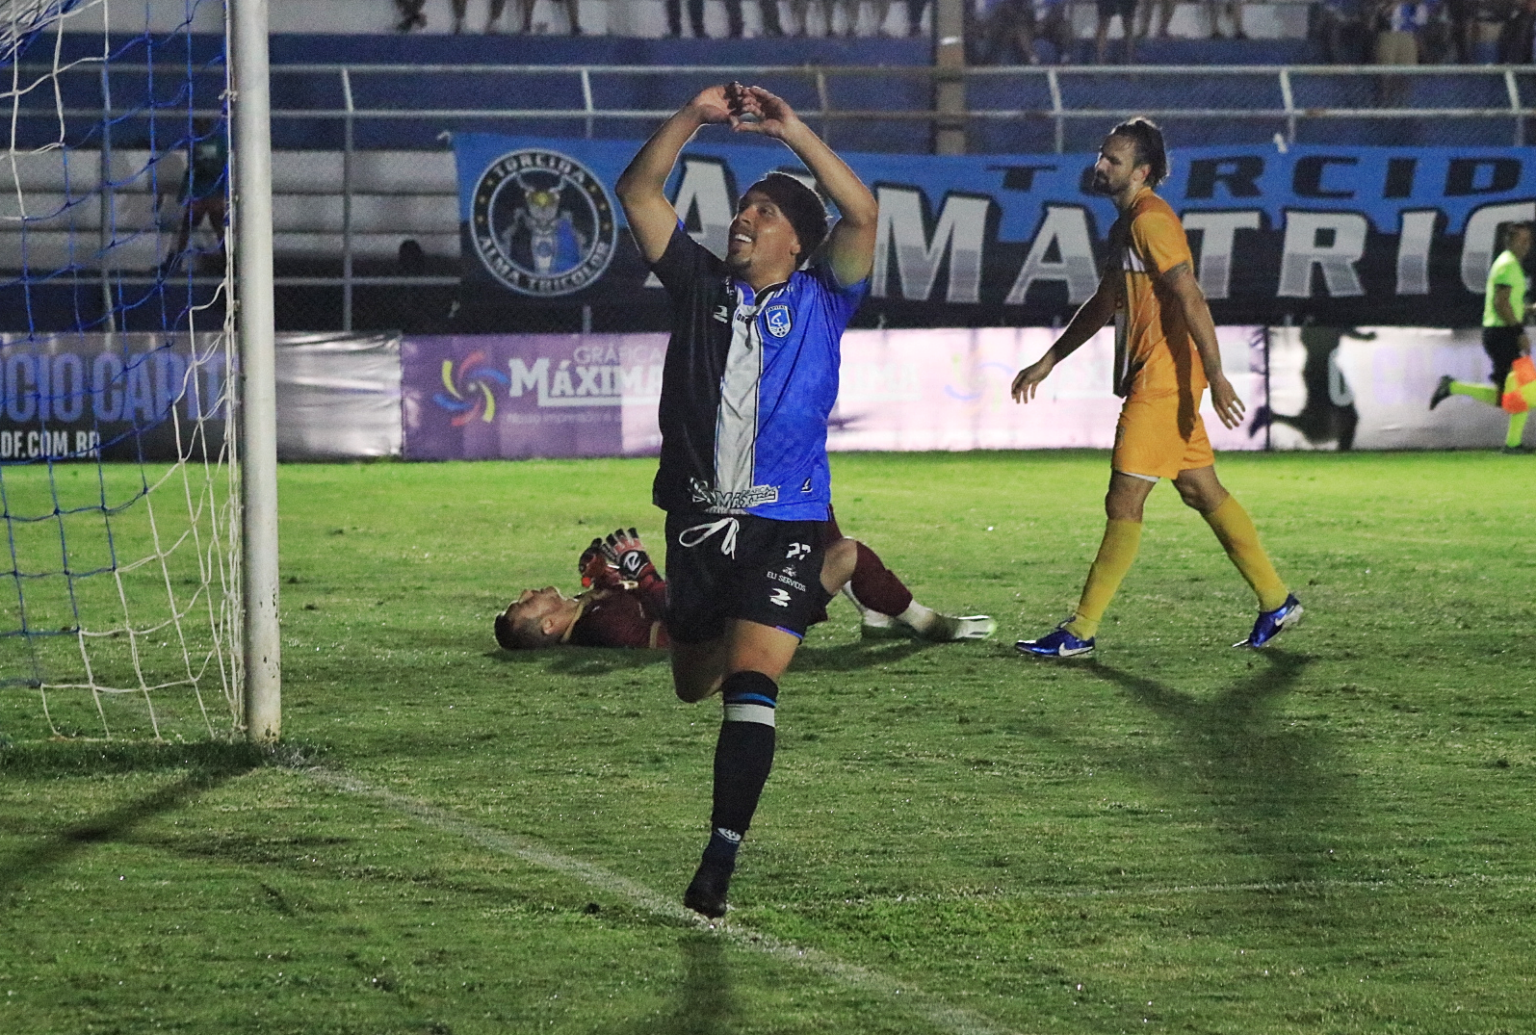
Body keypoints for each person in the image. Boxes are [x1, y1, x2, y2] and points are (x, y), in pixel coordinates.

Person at [615, 82, 879, 918]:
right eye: (743, 208)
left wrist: (792, 128)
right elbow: (638, 192)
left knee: (749, 683)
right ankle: (815, 588)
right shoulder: (696, 283)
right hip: (697, 523)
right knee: (692, 679)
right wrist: (692, 116)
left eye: (764, 213)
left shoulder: (825, 299)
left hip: (785, 524)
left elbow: (863, 213)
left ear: (799, 243)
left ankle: (719, 859)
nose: (744, 219)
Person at [1010, 117, 1302, 659]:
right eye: (1102, 155)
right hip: (1168, 378)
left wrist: (1215, 375)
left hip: (1164, 382)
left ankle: (1080, 630)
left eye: (1113, 160)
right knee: (1200, 489)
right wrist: (1049, 359)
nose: (1100, 165)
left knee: (1124, 500)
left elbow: (1190, 296)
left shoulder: (1150, 222)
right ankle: (1276, 599)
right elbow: (1105, 303)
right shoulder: (1127, 226)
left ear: (1141, 172)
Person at [494, 522, 996, 649]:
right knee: (847, 553)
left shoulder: (587, 615)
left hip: (736, 596)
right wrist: (642, 574)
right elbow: (676, 618)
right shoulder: (602, 630)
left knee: (811, 510)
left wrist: (601, 572)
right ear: (550, 623)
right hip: (752, 616)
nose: (527, 591)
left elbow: (619, 594)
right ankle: (926, 622)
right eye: (524, 605)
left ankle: (877, 615)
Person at [1430, 222, 1535, 452]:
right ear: (1509, 241)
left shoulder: (1511, 265)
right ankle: (1512, 444)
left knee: (1510, 395)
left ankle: (1452, 387)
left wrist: (1526, 310)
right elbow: (1500, 303)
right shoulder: (1507, 265)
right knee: (1526, 391)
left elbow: (1506, 302)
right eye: (1522, 240)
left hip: (1500, 333)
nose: (1527, 245)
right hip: (1502, 334)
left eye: (1529, 240)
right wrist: (1519, 332)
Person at [161, 118, 227, 276]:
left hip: (214, 194)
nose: (197, 129)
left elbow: (222, 166)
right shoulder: (194, 143)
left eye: (200, 125)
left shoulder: (219, 142)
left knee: (219, 229)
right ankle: (175, 262)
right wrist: (184, 192)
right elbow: (190, 170)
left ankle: (230, 263)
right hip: (198, 193)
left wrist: (208, 169)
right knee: (186, 228)